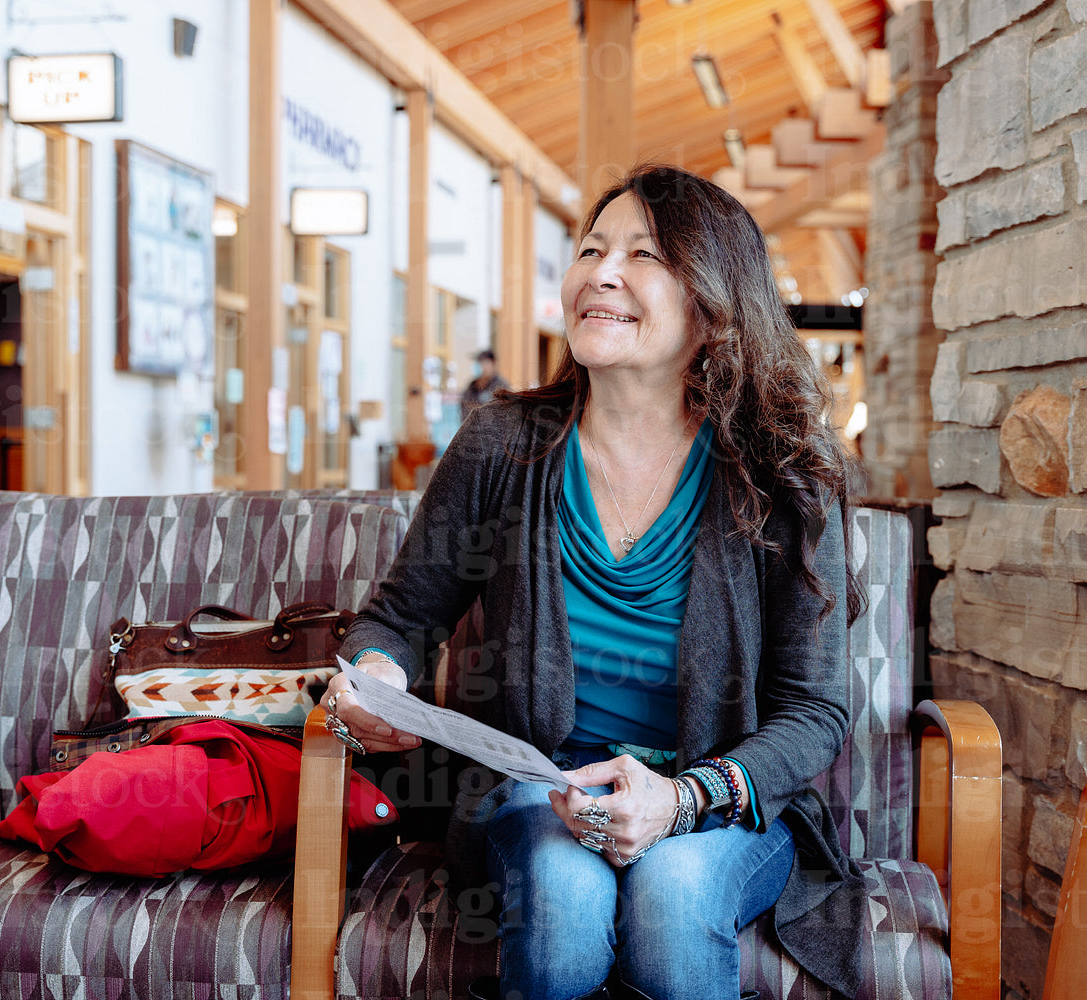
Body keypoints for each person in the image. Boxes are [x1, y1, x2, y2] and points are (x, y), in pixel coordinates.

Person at [326, 164, 866, 1000]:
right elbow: (397, 618)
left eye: (642, 255)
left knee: (674, 895)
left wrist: (682, 800)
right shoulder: (504, 444)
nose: (600, 272)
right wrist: (379, 681)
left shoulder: (784, 473)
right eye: (590, 248)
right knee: (567, 908)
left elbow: (815, 709)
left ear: (713, 302)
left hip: (712, 802)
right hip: (537, 791)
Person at [461, 348, 510, 421]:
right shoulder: (472, 386)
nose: (481, 366)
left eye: (484, 363)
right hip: (470, 429)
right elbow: (464, 407)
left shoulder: (501, 386)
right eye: (479, 363)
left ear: (492, 364)